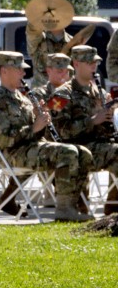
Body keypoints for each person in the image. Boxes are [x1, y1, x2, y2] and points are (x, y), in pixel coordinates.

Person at [0, 51, 92, 222]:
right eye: (19, 69)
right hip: (15, 154)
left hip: (32, 147)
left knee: (84, 153)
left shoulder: (22, 98)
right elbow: (2, 139)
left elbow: (35, 131)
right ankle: (64, 209)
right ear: (4, 71)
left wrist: (39, 117)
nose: (23, 73)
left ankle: (74, 204)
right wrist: (34, 127)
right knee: (68, 152)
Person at [50, 45, 118, 215]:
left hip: (98, 146)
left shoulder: (98, 91)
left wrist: (109, 113)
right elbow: (61, 132)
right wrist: (93, 121)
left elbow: (104, 128)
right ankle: (107, 205)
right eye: (89, 63)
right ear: (76, 64)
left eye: (95, 63)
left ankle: (112, 203)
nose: (94, 67)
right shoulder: (61, 95)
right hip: (76, 150)